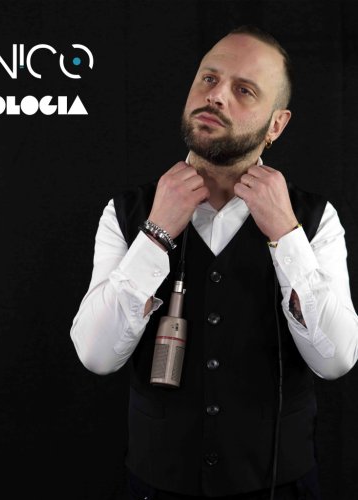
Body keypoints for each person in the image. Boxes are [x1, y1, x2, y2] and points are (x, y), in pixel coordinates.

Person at [70, 25, 358, 500]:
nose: (216, 95)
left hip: (278, 486)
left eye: (244, 90)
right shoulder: (126, 213)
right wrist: (155, 234)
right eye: (209, 78)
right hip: (157, 486)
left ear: (276, 125)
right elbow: (97, 356)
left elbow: (337, 360)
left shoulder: (314, 220)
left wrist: (287, 236)